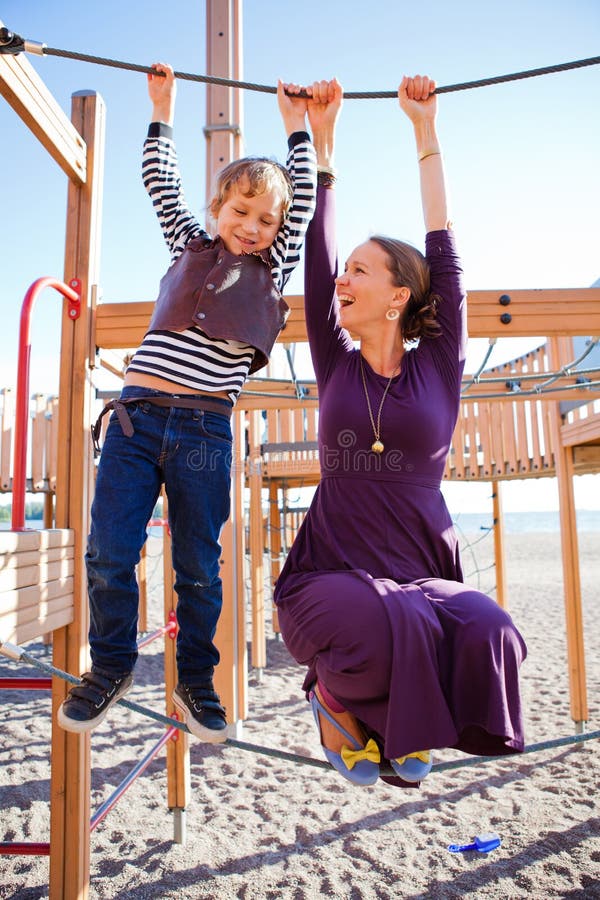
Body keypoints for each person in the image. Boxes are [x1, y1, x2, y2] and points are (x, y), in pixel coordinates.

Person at [274, 76, 527, 786]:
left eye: (360, 271)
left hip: (419, 574)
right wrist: (322, 145)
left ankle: (385, 723)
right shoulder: (336, 362)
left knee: (490, 629)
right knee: (368, 625)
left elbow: (445, 250)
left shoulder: (439, 366)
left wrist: (425, 131)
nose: (342, 281)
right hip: (329, 575)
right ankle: (335, 701)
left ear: (399, 297)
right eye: (344, 272)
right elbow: (314, 258)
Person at [58, 63, 317, 742]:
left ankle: (196, 680)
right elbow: (157, 180)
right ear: (216, 212)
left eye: (266, 219)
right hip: (136, 420)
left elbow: (306, 198)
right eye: (240, 212)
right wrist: (163, 108)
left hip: (204, 430)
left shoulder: (275, 265)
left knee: (198, 564)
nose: (252, 226)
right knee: (110, 550)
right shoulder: (188, 243)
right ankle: (109, 663)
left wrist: (297, 128)